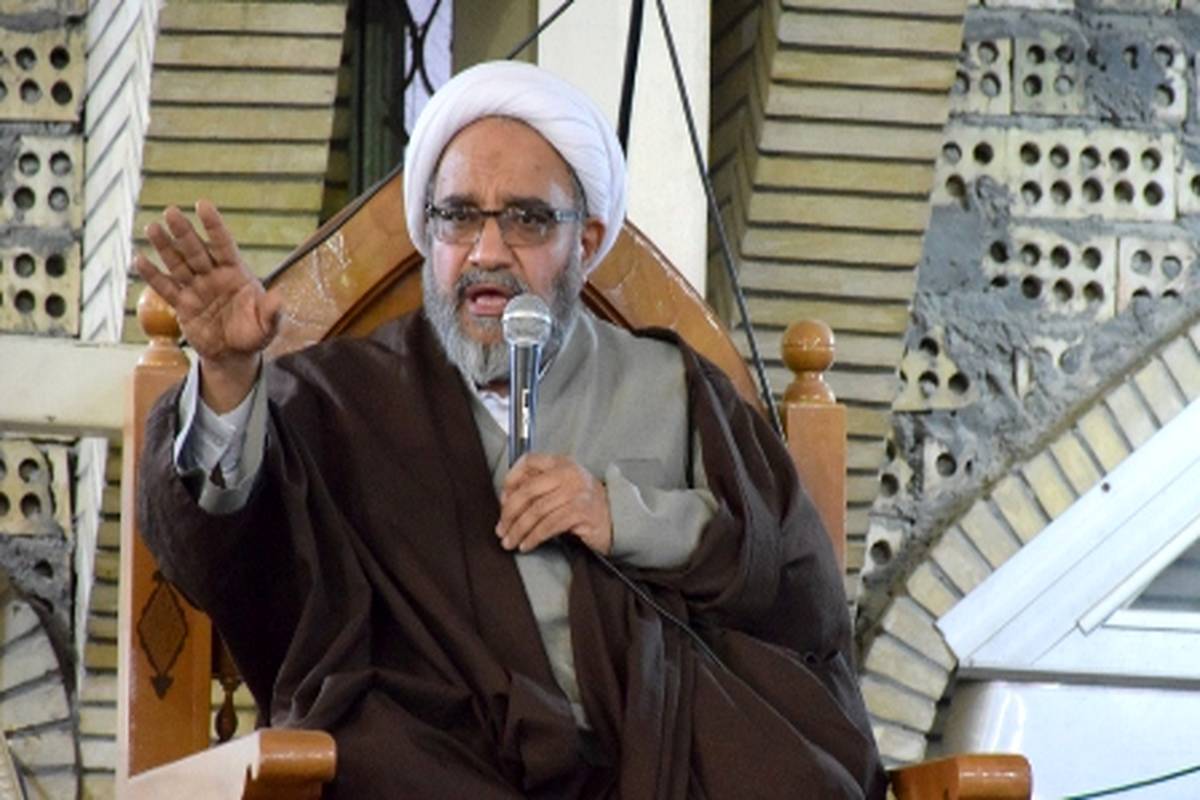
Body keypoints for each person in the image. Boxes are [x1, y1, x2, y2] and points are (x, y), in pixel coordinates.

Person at [135, 60, 886, 799]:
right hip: (440, 767)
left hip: (655, 760)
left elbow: (789, 589)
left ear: (585, 242)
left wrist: (622, 516)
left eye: (527, 219)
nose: (487, 253)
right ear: (429, 236)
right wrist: (227, 376)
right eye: (459, 216)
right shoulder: (337, 401)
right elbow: (228, 555)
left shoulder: (676, 388)